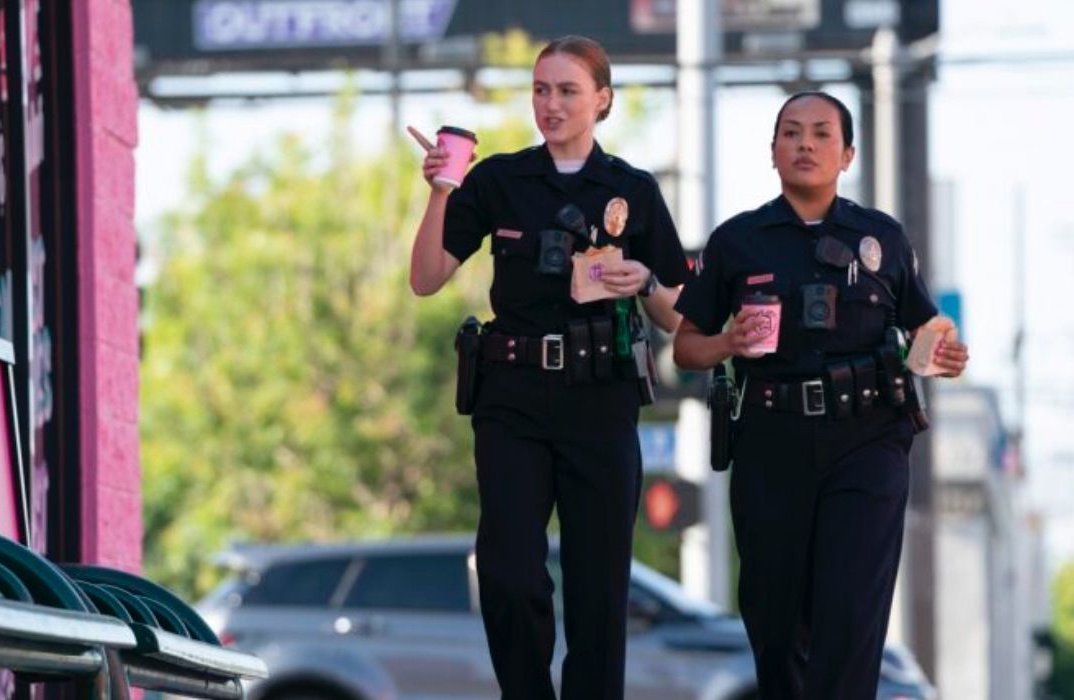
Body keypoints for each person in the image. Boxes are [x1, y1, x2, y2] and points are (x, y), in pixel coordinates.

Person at [407, 35, 690, 700]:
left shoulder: (633, 190)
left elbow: (681, 316)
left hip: (600, 400)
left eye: (567, 90)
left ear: (602, 100)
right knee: (509, 574)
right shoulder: (500, 180)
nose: (551, 103)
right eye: (541, 89)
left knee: (598, 590)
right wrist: (443, 190)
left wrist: (643, 278)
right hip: (512, 400)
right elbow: (425, 278)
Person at [671, 91, 970, 699]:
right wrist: (729, 340)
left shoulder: (880, 237)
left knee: (850, 618)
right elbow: (685, 347)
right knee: (776, 629)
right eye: (791, 133)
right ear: (774, 152)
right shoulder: (737, 241)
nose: (805, 144)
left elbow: (925, 330)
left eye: (821, 134)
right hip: (770, 442)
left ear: (847, 154)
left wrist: (944, 355)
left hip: (867, 441)